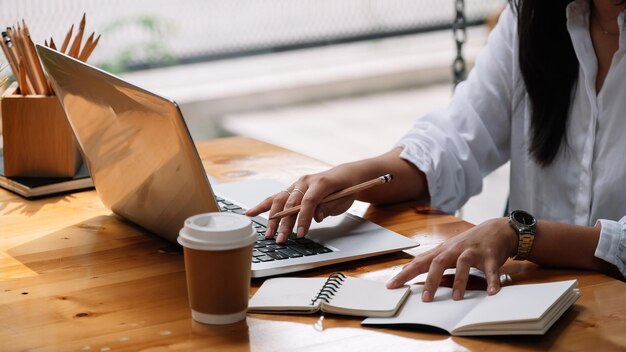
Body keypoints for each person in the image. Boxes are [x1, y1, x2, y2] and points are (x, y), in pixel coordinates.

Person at [246, 0, 626, 302]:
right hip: (528, 301)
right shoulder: (534, 15)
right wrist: (351, 178)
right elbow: (457, 138)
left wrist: (520, 235)